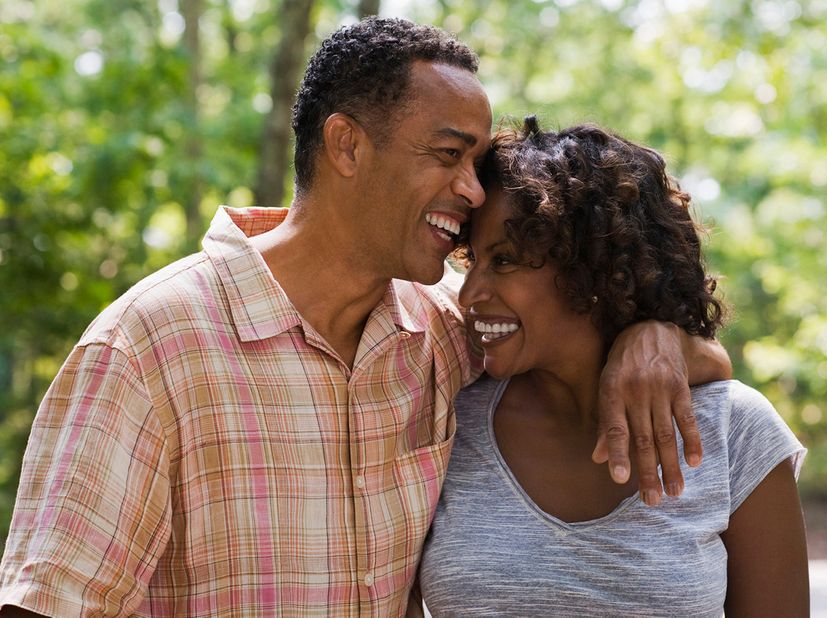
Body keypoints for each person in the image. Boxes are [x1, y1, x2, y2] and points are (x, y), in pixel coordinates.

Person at [0, 19, 730, 618]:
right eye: (449, 155)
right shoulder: (146, 350)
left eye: (477, 163)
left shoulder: (441, 337)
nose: (474, 193)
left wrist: (658, 338)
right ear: (347, 145)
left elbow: (574, 335)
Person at [416, 118, 809, 617]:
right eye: (472, 261)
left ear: (596, 269)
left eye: (506, 261)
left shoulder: (735, 431)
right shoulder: (450, 418)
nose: (469, 293)